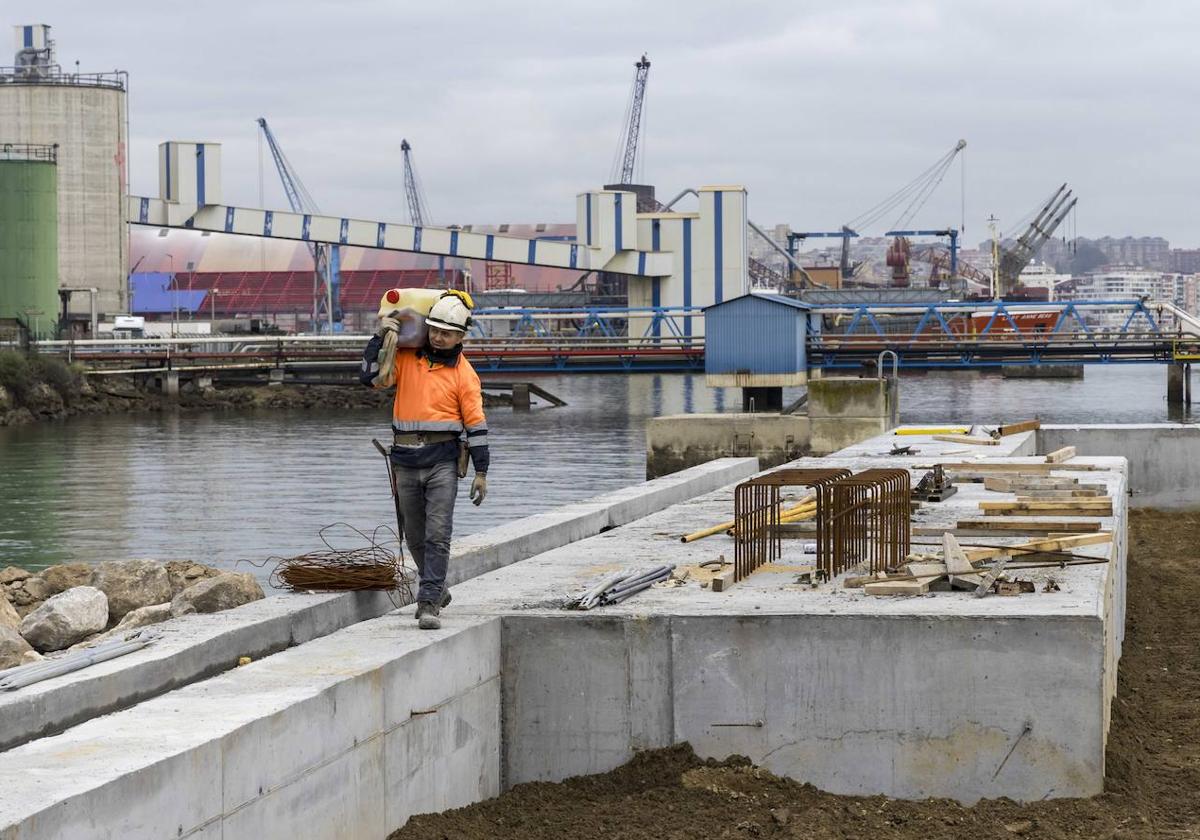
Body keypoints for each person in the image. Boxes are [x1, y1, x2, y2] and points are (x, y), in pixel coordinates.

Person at [360, 289, 488, 630]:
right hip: (404, 461)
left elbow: (476, 425)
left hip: (442, 462)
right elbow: (371, 378)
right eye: (434, 330)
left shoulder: (465, 375)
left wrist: (481, 472)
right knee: (415, 536)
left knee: (438, 534)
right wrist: (378, 337)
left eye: (447, 333)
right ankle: (437, 588)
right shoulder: (406, 360)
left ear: (460, 336)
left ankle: (428, 602)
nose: (438, 337)